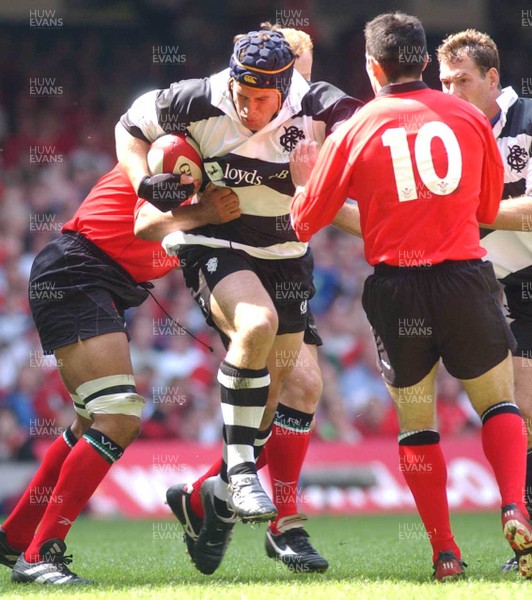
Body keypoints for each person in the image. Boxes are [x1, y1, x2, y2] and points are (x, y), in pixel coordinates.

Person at [290, 11, 532, 581]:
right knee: (499, 405)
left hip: (398, 290)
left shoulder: (356, 127)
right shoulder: (470, 120)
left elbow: (305, 222)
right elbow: (484, 208)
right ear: (426, 62)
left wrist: (306, 186)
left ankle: (445, 552)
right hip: (467, 279)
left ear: (373, 68)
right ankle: (514, 505)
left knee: (417, 426)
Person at [124, 27, 363, 575]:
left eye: (296, 71)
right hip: (218, 246)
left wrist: (318, 192)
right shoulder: (197, 100)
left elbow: (365, 146)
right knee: (258, 326)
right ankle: (265, 504)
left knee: (288, 390)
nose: (254, 106)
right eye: (245, 92)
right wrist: (147, 184)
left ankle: (206, 496)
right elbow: (132, 132)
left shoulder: (317, 113)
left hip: (286, 257)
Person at [0, 163, 239, 584]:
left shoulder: (205, 181)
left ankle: (16, 536)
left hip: (88, 278)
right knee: (120, 417)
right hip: (78, 270)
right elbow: (145, 221)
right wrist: (206, 213)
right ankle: (40, 554)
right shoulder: (172, 155)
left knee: (93, 421)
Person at [437, 28, 532, 573]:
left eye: (463, 80)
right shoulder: (442, 134)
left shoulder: (527, 122)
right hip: (515, 285)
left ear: (493, 79)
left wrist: (473, 213)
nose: (451, 91)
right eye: (444, 81)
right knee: (520, 407)